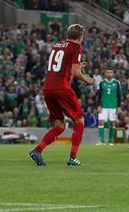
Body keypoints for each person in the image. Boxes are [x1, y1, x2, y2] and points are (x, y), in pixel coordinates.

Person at [29, 24, 93, 166]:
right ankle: (72, 158)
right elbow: (75, 73)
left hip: (47, 88)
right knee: (79, 119)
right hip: (61, 88)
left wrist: (75, 66)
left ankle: (37, 150)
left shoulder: (57, 45)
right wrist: (86, 78)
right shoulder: (76, 47)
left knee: (59, 125)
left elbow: (64, 67)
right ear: (80, 36)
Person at [96, 69, 122, 146]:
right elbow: (99, 95)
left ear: (113, 73)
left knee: (112, 123)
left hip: (113, 106)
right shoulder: (101, 83)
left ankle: (110, 140)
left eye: (110, 72)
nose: (109, 74)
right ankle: (102, 140)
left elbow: (119, 96)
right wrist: (99, 105)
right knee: (101, 122)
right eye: (107, 72)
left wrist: (119, 106)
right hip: (103, 106)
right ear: (105, 74)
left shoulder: (116, 83)